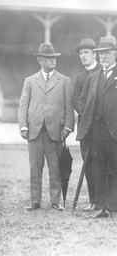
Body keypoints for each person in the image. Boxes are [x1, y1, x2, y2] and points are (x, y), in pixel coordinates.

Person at [18, 42, 74, 211]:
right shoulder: (30, 81)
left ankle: (55, 202)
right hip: (34, 132)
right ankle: (35, 201)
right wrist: (23, 127)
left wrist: (68, 127)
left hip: (55, 132)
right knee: (35, 168)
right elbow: (23, 105)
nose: (53, 61)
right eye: (49, 58)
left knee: (55, 168)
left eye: (54, 58)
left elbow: (69, 107)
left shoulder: (64, 81)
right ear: (40, 60)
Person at [77, 36, 117, 219]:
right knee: (98, 168)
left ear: (115, 54)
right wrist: (90, 118)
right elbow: (83, 101)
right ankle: (102, 207)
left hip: (115, 131)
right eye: (101, 54)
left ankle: (114, 206)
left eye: (107, 53)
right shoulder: (93, 78)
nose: (104, 57)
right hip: (97, 131)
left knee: (114, 169)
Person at [73, 38, 101, 211]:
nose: (83, 56)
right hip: (85, 128)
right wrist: (87, 113)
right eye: (81, 53)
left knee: (103, 164)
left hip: (102, 127)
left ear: (95, 54)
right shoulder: (80, 77)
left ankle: (106, 201)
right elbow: (76, 101)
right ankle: (93, 201)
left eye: (86, 53)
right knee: (88, 164)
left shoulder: (103, 71)